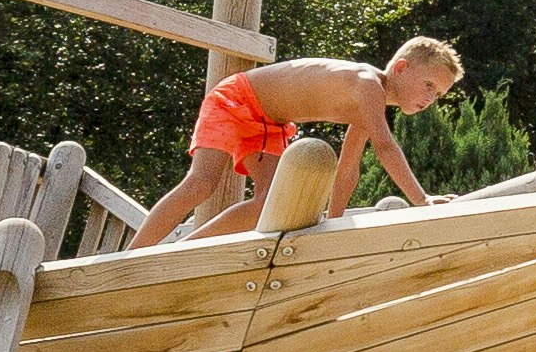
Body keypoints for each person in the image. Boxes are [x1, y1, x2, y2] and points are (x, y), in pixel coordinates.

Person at [124, 37, 459, 250]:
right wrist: (423, 201)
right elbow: (386, 148)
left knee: (268, 203)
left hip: (270, 121)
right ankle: (132, 256)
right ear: (400, 68)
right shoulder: (366, 84)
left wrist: (335, 221)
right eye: (429, 84)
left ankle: (183, 251)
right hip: (237, 98)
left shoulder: (370, 107)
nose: (431, 97)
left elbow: (348, 167)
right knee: (202, 183)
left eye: (439, 93)